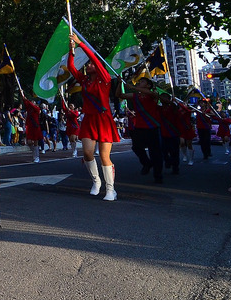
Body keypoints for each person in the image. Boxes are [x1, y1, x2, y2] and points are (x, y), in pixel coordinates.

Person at [67, 34, 120, 201]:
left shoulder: (105, 79)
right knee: (88, 153)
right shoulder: (83, 81)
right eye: (88, 64)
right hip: (89, 119)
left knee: (104, 156)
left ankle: (110, 189)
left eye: (91, 64)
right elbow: (71, 67)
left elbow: (95, 59)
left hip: (103, 119)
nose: (88, 65)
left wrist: (81, 43)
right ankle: (96, 182)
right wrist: (72, 50)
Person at [119, 77, 164, 182]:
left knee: (155, 153)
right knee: (136, 147)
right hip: (139, 127)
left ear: (148, 85)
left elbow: (152, 94)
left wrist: (133, 87)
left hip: (153, 127)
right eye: (139, 82)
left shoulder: (154, 94)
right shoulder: (136, 96)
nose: (139, 83)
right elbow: (120, 95)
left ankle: (158, 175)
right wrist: (119, 83)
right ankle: (147, 163)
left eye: (142, 82)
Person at [158, 91, 182, 175]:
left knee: (174, 152)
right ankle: (167, 161)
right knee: (163, 150)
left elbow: (176, 108)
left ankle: (175, 167)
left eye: (164, 97)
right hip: (163, 133)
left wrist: (172, 101)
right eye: (161, 97)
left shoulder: (173, 107)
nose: (162, 99)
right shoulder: (159, 108)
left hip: (173, 133)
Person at [22, 96, 44, 163]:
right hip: (29, 126)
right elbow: (25, 102)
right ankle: (34, 153)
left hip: (35, 126)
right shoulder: (29, 109)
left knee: (35, 142)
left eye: (33, 102)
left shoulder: (37, 109)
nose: (31, 103)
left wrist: (27, 100)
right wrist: (23, 95)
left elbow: (30, 104)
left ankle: (36, 157)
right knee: (29, 142)